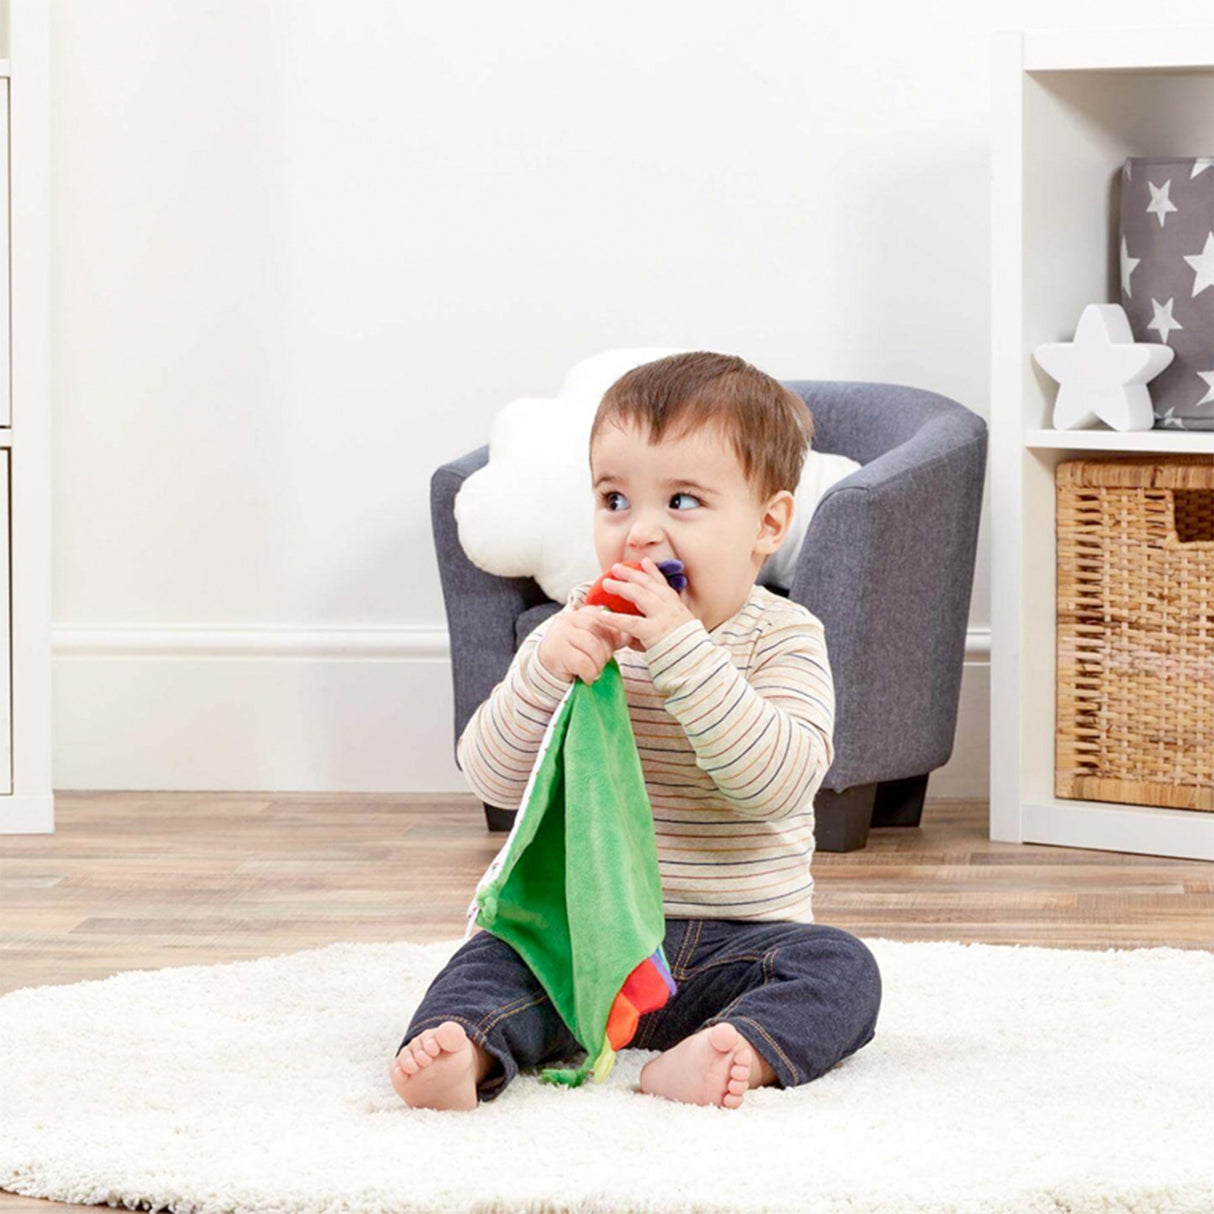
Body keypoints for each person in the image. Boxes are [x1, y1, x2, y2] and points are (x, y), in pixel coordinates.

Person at [390, 351, 882, 1111]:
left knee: (841, 971)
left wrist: (683, 649)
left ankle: (730, 1050)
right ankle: (471, 1050)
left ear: (768, 524)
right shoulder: (571, 634)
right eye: (615, 499)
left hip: (736, 941)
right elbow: (490, 779)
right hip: (589, 936)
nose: (640, 533)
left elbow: (778, 783)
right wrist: (545, 672)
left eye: (683, 502)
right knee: (493, 957)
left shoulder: (784, 637)